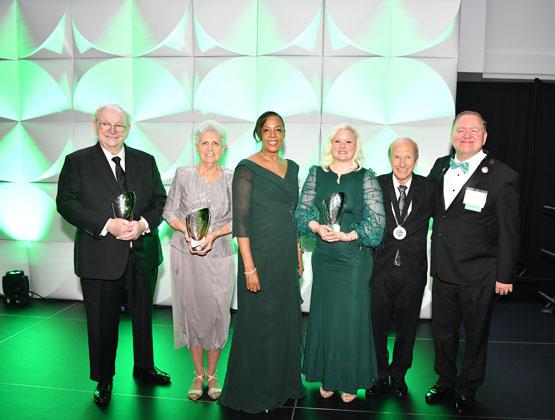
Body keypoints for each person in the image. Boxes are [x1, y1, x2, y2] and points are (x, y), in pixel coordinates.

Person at [56, 104, 170, 406]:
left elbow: (161, 200)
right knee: (102, 322)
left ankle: (144, 366)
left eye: (119, 125)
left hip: (142, 252)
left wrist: (143, 224)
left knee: (144, 316)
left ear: (128, 128)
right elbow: (66, 203)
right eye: (105, 124)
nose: (112, 130)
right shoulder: (77, 161)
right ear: (96, 126)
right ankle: (104, 379)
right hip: (99, 256)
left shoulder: (146, 161)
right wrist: (107, 225)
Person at [425, 111, 520, 414]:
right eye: (460, 130)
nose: (466, 135)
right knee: (442, 332)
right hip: (443, 270)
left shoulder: (503, 176)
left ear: (484, 137)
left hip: (479, 272)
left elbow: (509, 230)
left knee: (476, 335)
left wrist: (504, 275)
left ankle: (468, 386)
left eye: (473, 130)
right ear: (452, 134)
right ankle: (445, 379)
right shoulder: (440, 166)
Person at [219, 111, 305, 413]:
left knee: (285, 318)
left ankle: (284, 384)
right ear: (258, 133)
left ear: (283, 134)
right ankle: (256, 389)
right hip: (259, 254)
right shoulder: (246, 168)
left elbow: (293, 214)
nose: (272, 135)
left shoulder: (292, 168)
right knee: (260, 321)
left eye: (278, 130)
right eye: (266, 130)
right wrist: (249, 267)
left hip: (284, 253)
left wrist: (297, 253)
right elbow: (240, 223)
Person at [295, 124, 385, 403]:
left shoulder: (366, 178)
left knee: (350, 317)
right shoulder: (316, 174)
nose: (342, 146)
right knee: (324, 315)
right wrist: (317, 228)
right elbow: (301, 212)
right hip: (325, 255)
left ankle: (349, 379)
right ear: (330, 145)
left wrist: (349, 234)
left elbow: (377, 222)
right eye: (337, 141)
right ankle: (327, 375)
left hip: (354, 257)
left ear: (356, 145)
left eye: (348, 141)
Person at [163, 120, 234, 401]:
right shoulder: (183, 174)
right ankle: (197, 374)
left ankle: (213, 374)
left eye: (215, 143)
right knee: (191, 312)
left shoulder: (231, 177)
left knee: (217, 313)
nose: (210, 148)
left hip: (219, 254)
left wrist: (213, 234)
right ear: (196, 147)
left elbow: (239, 218)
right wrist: (190, 232)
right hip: (186, 253)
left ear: (223, 148)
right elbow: (169, 212)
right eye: (204, 142)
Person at [367, 138, 434, 399]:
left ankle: (398, 375)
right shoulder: (376, 186)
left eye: (408, 157)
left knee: (407, 329)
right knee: (377, 326)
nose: (402, 163)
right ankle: (379, 373)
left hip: (413, 271)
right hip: (380, 269)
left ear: (416, 159)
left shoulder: (429, 188)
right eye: (397, 157)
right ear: (389, 158)